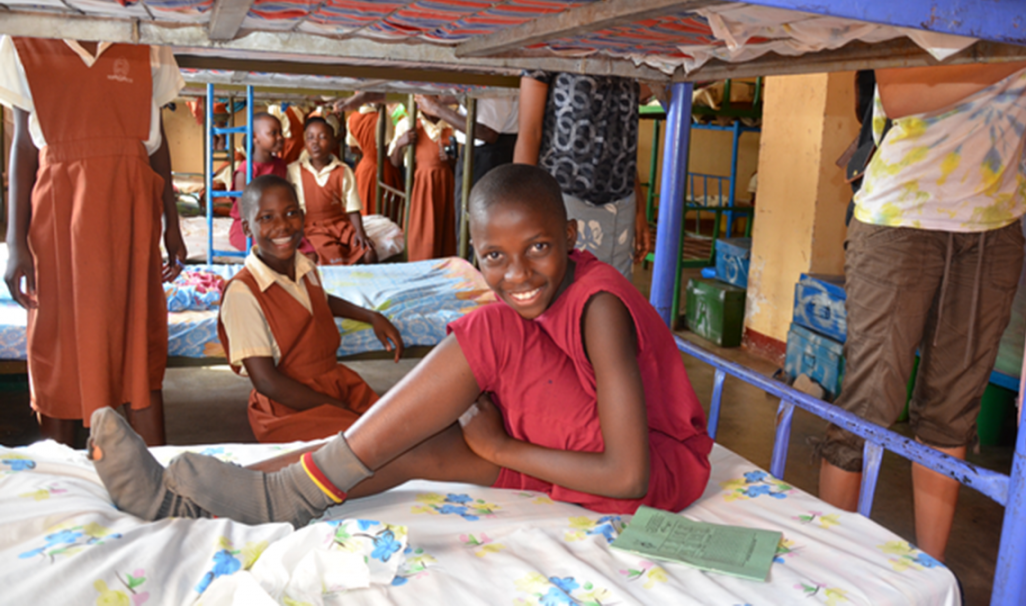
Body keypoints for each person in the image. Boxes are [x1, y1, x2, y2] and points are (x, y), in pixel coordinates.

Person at [87, 164, 712, 527]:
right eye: (494, 257)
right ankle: (186, 502)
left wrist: (500, 447)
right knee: (407, 444)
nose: (518, 273)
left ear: (571, 236)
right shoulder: (543, 298)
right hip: (574, 444)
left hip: (645, 471)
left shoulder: (601, 307)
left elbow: (629, 475)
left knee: (492, 327)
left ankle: (284, 496)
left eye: (539, 248)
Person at [818, 59, 1026, 561]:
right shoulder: (1009, 33)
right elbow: (900, 95)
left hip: (993, 226)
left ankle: (932, 570)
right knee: (868, 404)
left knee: (952, 414)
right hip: (901, 218)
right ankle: (829, 568)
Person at [0, 36, 187, 448]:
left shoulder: (146, 41)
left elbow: (157, 144)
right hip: (58, 214)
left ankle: (154, 472)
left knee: (137, 338)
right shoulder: (23, 41)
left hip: (130, 209)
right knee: (58, 339)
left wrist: (172, 222)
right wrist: (15, 243)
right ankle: (62, 471)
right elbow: (23, 146)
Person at [219, 175, 403, 443]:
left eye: (291, 213)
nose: (283, 225)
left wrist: (370, 316)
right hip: (288, 406)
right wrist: (337, 408)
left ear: (303, 216)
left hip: (334, 383)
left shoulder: (303, 265)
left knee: (399, 430)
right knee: (373, 443)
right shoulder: (243, 293)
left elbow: (317, 301)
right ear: (248, 228)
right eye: (267, 217)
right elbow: (267, 382)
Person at [514, 71, 650, 279]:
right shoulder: (548, 55)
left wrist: (639, 209)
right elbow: (529, 133)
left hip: (622, 205)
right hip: (564, 202)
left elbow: (624, 140)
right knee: (569, 289)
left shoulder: (628, 59)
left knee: (615, 292)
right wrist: (521, 211)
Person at [413, 94, 519, 234]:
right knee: (467, 224)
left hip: (487, 158)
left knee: (476, 227)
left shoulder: (491, 87)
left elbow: (487, 132)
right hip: (480, 155)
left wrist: (437, 108)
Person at [287, 116, 377, 265]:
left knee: (369, 254)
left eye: (322, 137)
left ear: (333, 143)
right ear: (305, 143)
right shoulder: (293, 170)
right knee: (333, 255)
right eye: (310, 138)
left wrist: (360, 232)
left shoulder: (343, 170)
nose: (315, 142)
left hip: (340, 225)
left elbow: (353, 208)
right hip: (312, 228)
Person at [390, 100, 456, 261]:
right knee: (420, 232)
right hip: (421, 186)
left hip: (446, 184)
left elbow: (459, 162)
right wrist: (400, 144)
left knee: (445, 234)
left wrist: (451, 159)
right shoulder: (408, 124)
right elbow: (395, 162)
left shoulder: (451, 123)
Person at [228, 112, 287, 252]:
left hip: (275, 222)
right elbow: (244, 213)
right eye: (273, 133)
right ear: (255, 137)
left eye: (281, 132)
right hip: (250, 226)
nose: (280, 137)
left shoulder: (281, 165)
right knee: (267, 247)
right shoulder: (245, 171)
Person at [346, 103, 404, 216]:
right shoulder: (382, 117)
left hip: (363, 169)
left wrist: (367, 150)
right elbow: (387, 150)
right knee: (385, 210)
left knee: (363, 207)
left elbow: (352, 148)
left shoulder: (351, 118)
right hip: (383, 168)